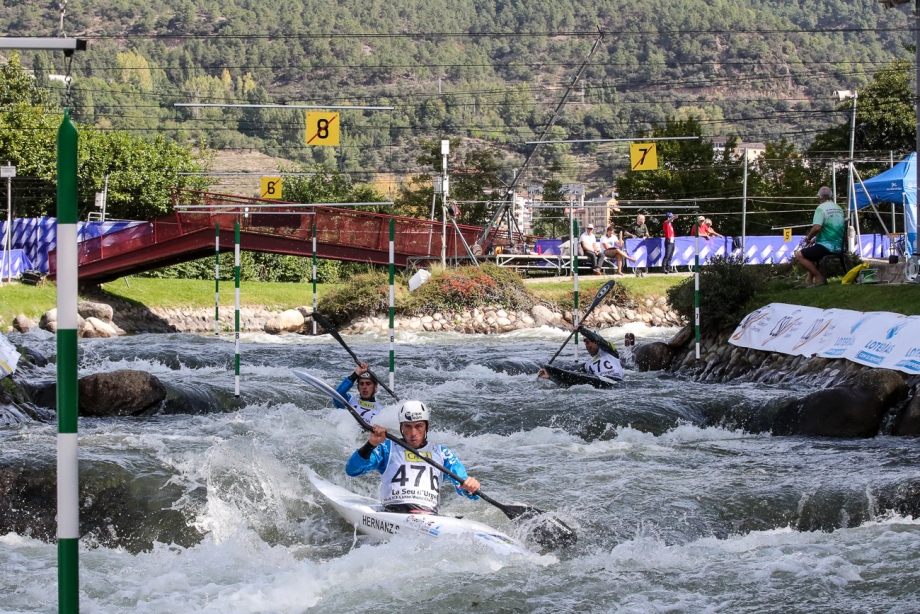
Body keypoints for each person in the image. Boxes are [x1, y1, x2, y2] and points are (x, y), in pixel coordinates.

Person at [345, 400, 481, 514]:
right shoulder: (387, 448)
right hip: (393, 514)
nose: (413, 433)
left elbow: (463, 485)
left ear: (427, 426)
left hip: (428, 517)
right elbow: (352, 470)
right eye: (407, 427)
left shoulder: (442, 453)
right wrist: (371, 444)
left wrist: (470, 488)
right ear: (401, 427)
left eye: (418, 426)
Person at [793, 186, 845, 287]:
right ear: (831, 196)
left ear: (819, 197)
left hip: (827, 246)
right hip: (839, 246)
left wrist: (808, 238)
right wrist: (815, 239)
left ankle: (819, 278)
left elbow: (817, 228)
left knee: (799, 255)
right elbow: (833, 229)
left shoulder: (821, 209)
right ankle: (808, 281)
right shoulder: (838, 208)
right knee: (811, 253)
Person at [537, 326, 624, 380]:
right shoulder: (588, 364)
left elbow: (598, 340)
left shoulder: (609, 350)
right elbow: (569, 374)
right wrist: (550, 376)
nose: (587, 345)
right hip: (602, 383)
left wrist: (581, 329)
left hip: (617, 381)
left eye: (590, 342)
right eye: (585, 343)